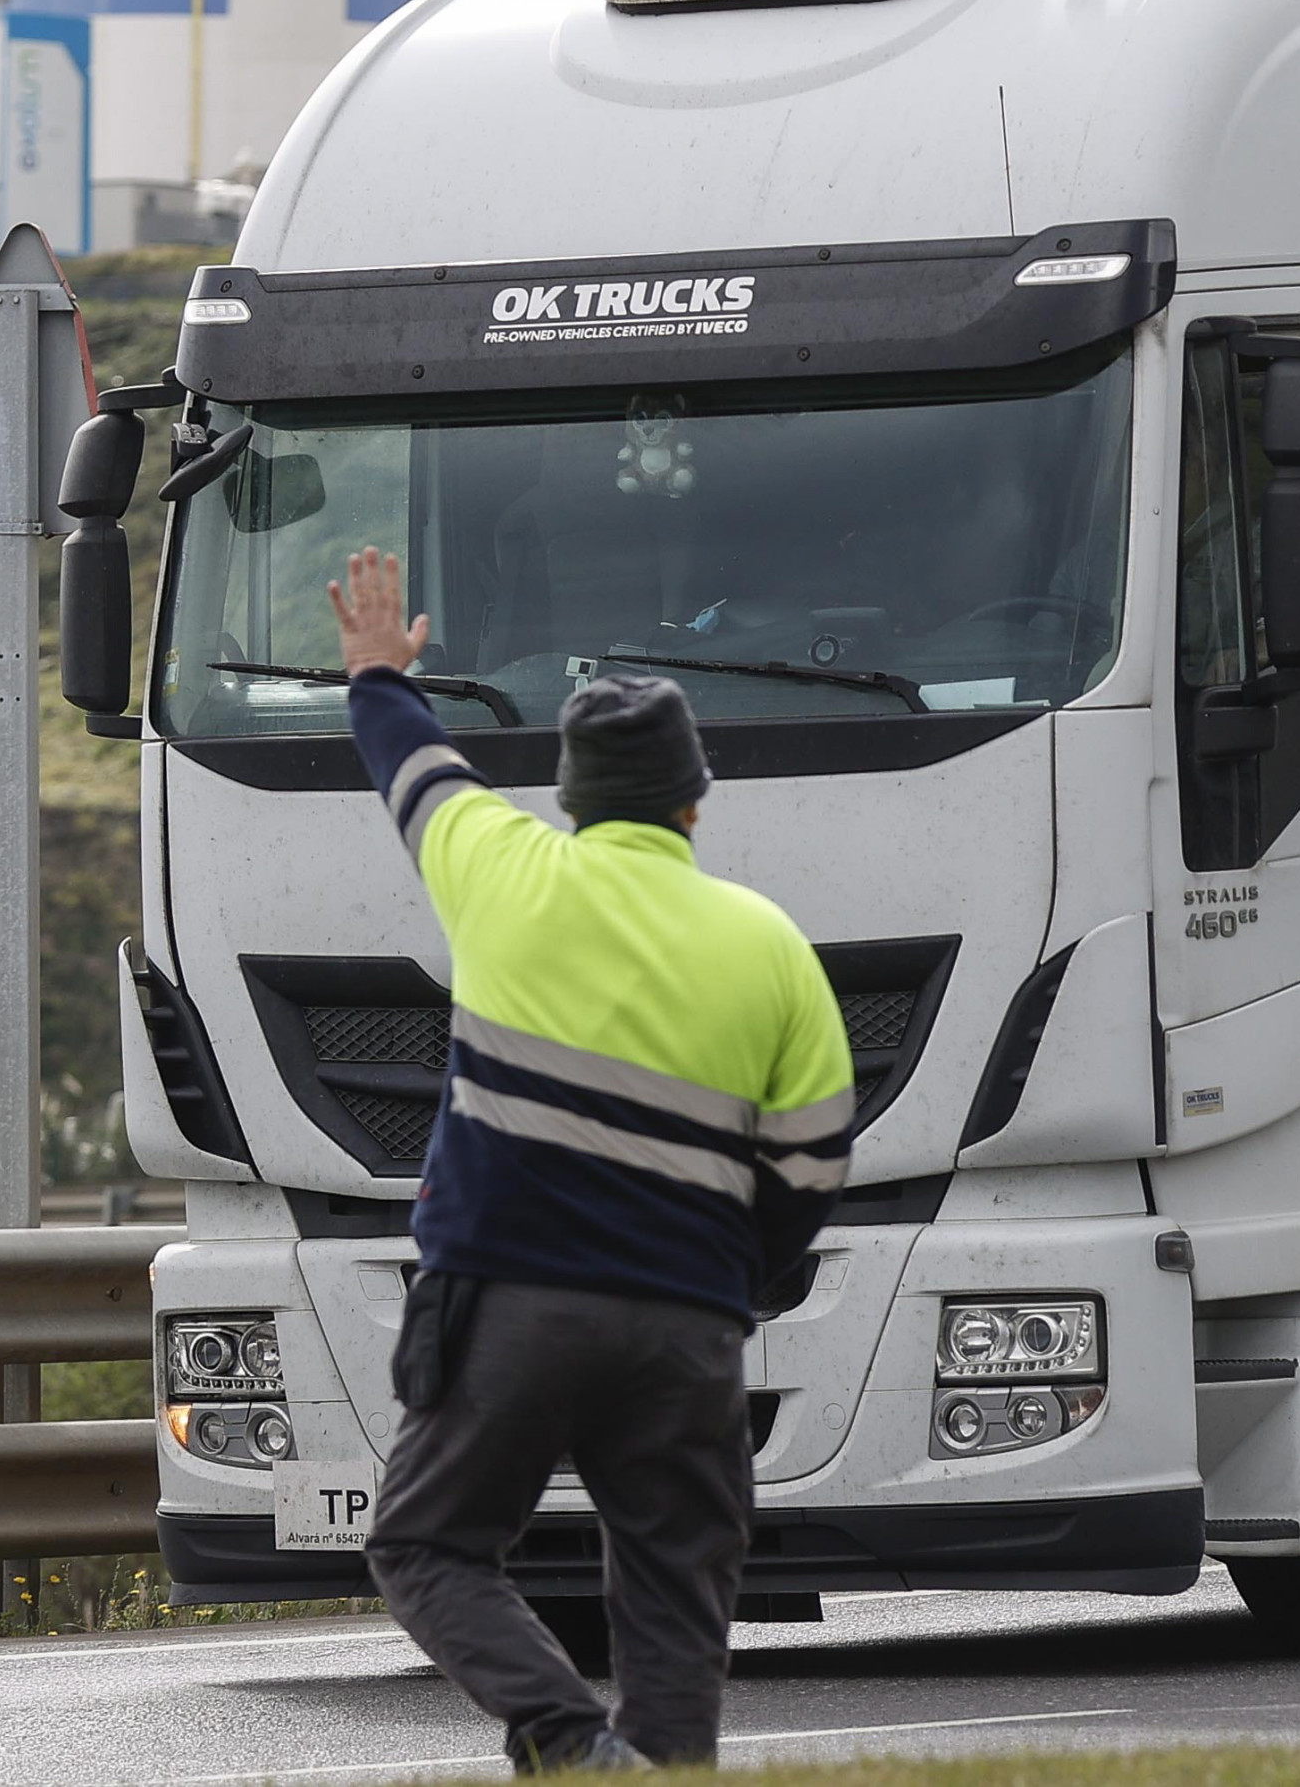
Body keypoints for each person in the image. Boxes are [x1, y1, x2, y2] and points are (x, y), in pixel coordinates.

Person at [327, 547, 856, 1772]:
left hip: (508, 1302)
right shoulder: (767, 940)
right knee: (675, 1588)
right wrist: (736, 1270)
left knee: (425, 1544)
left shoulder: (502, 871)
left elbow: (413, 768)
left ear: (569, 795)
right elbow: (814, 1161)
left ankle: (568, 1738)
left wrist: (373, 668)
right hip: (686, 1319)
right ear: (692, 798)